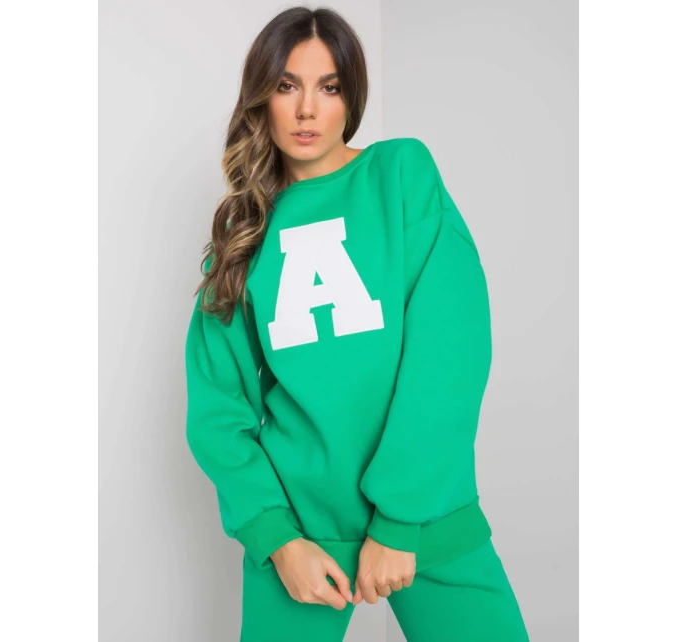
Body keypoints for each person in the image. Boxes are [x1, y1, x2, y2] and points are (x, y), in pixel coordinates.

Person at [184, 6, 529, 641]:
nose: (306, 109)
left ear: (352, 97)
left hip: (427, 516)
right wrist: (276, 538)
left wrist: (399, 519)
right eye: (286, 85)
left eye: (329, 86)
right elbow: (217, 408)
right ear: (262, 97)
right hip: (300, 537)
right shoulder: (243, 231)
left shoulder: (400, 175)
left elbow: (449, 350)